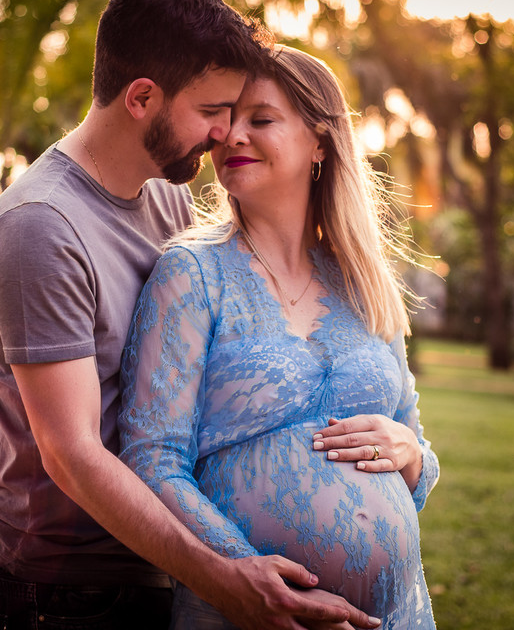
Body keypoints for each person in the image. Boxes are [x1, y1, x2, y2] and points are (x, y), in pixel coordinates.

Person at [0, 0, 376, 630]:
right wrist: (226, 580)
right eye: (212, 111)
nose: (224, 134)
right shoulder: (40, 228)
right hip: (66, 596)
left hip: (161, 571)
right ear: (142, 98)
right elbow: (72, 455)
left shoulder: (164, 198)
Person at [119, 45, 440, 630]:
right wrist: (252, 578)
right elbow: (152, 460)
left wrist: (413, 456)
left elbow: (417, 450)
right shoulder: (191, 275)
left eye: (260, 119)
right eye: (226, 120)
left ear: (320, 141)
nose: (231, 135)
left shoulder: (365, 281)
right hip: (247, 613)